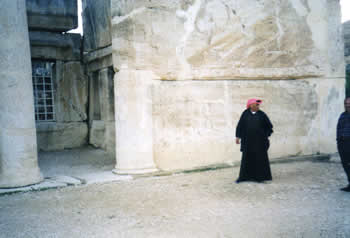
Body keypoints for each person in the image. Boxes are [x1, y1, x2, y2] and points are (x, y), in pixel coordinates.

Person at [235, 98, 273, 183]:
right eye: (256, 104)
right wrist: (238, 137)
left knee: (259, 159)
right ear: (251, 105)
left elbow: (269, 127)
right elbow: (240, 125)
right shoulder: (245, 114)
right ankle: (243, 177)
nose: (258, 106)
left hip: (259, 142)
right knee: (246, 159)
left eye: (258, 105)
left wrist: (265, 135)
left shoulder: (262, 114)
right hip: (247, 141)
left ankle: (260, 178)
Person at [336, 97, 350, 192]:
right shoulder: (342, 115)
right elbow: (339, 128)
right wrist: (338, 141)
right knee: (346, 165)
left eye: (349, 103)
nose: (347, 105)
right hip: (342, 143)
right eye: (346, 103)